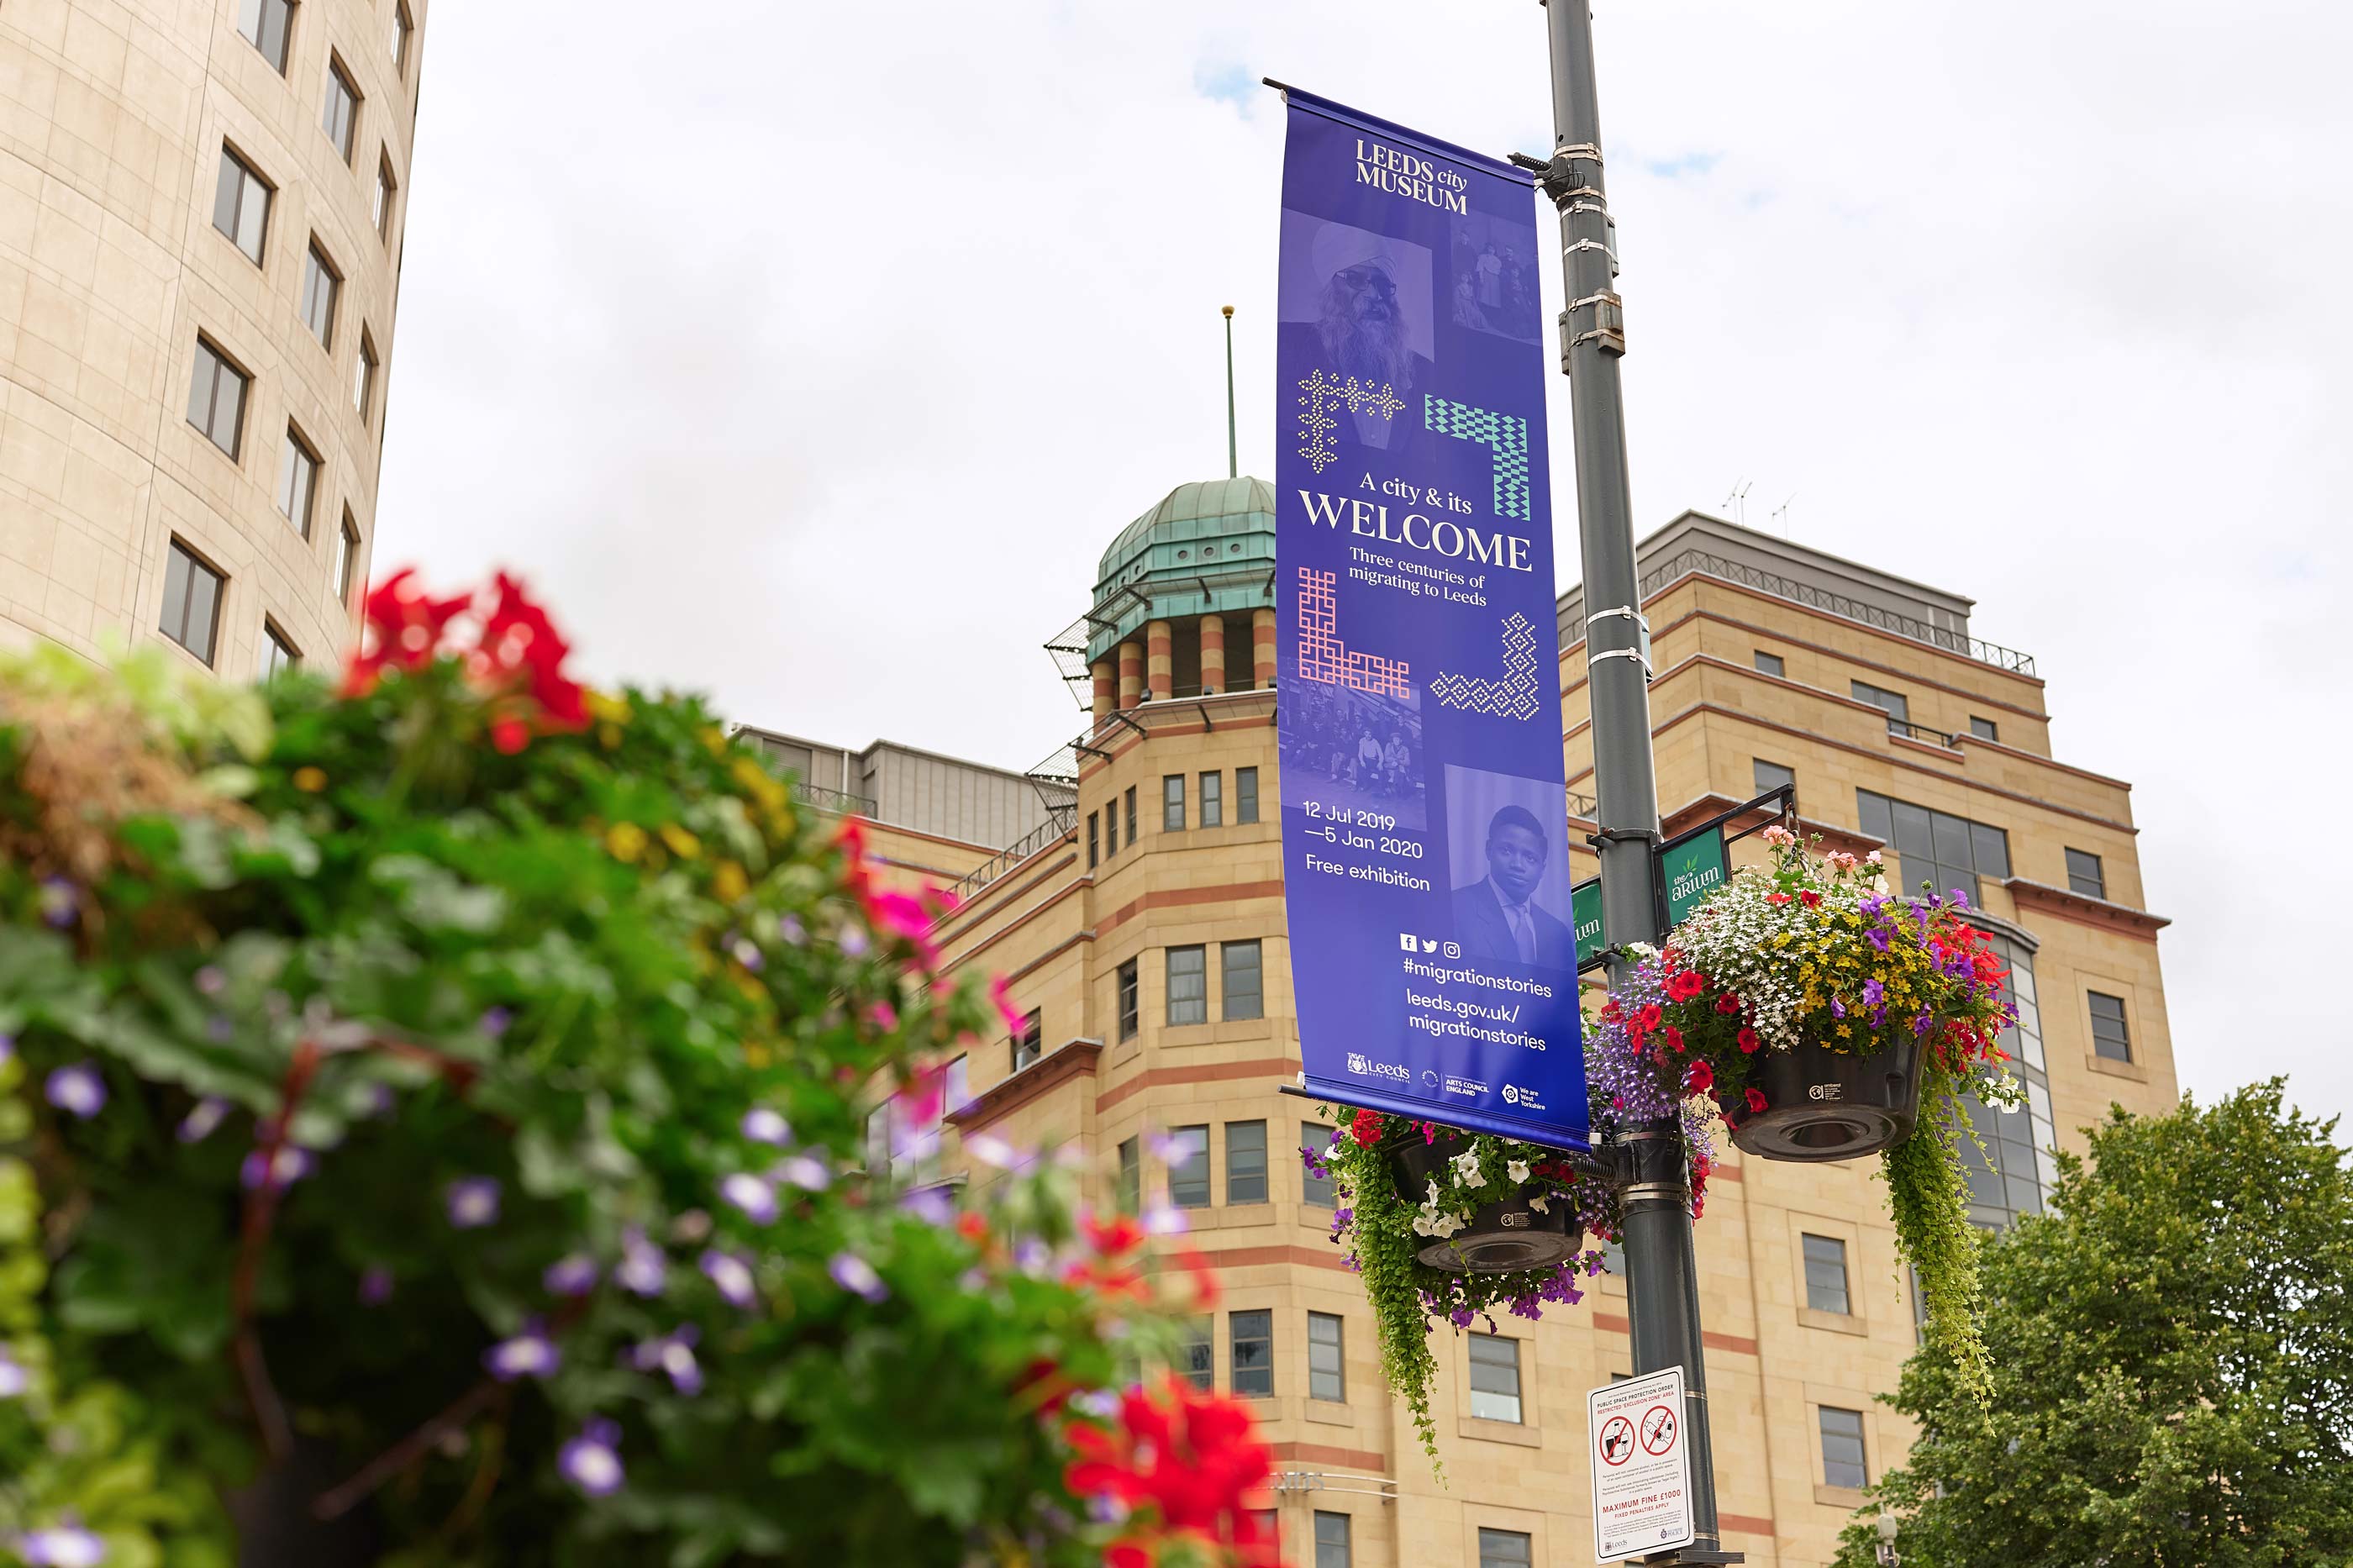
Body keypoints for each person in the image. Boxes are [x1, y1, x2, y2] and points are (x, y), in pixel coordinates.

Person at [1277, 223, 1438, 466]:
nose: (1374, 296)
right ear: (1331, 287)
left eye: (1383, 285)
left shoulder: (1424, 372)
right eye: (1355, 279)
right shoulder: (1290, 348)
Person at [1450, 802, 1575, 968]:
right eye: (1507, 851)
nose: (1518, 865)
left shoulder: (1557, 933)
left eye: (1530, 858)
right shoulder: (1454, 907)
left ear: (1542, 868)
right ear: (1489, 849)